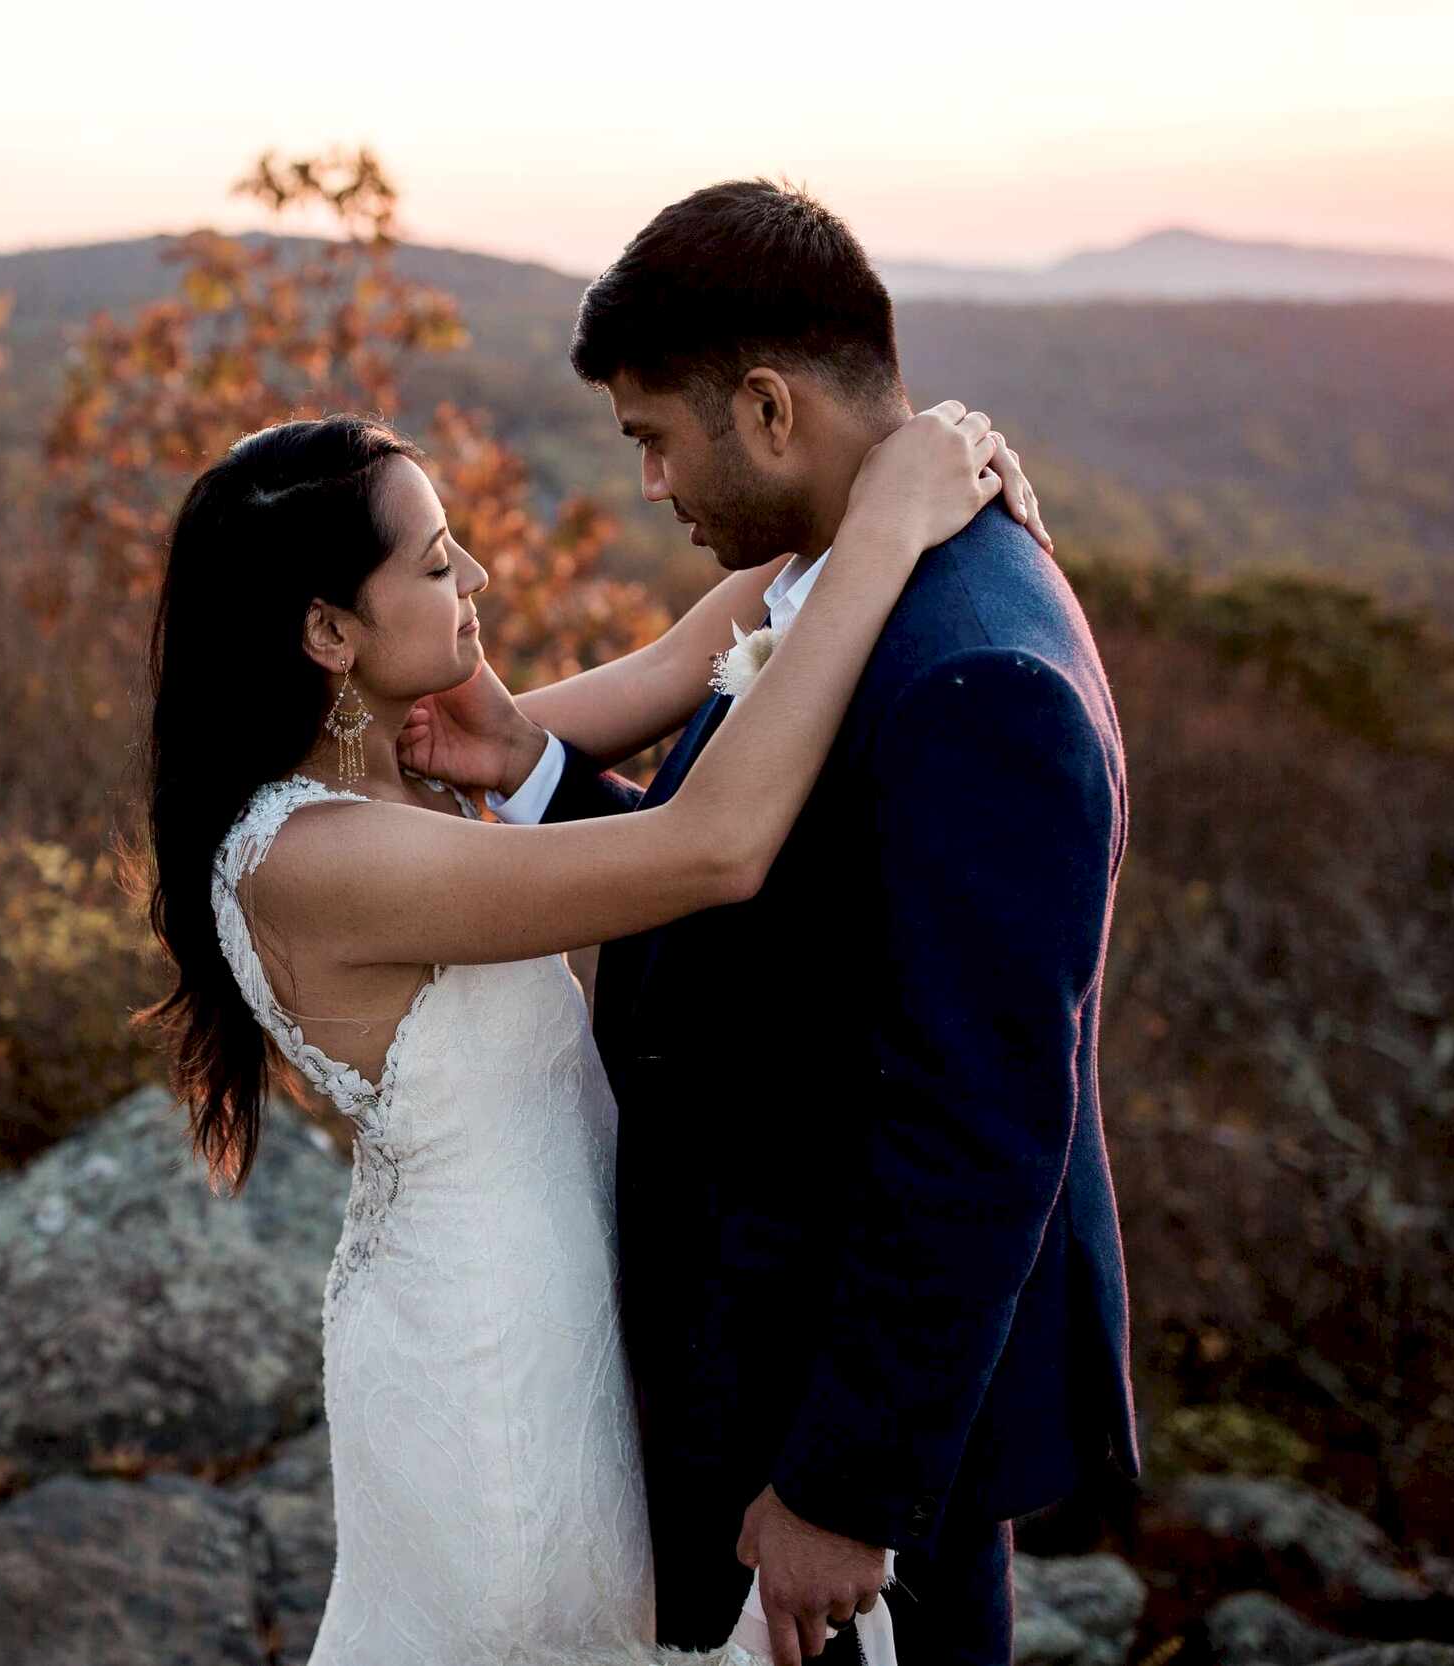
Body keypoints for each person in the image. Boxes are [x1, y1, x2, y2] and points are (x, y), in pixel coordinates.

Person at [140, 385, 1036, 1662]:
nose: (481, 577)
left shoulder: (401, 768)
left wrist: (895, 461)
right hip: (494, 1347)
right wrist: (887, 533)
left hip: (574, 1285)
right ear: (331, 632)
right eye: (440, 562)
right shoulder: (311, 858)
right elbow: (710, 847)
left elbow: (700, 652)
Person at [405, 179, 1139, 1666]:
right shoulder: (838, 581)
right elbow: (761, 917)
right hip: (757, 1336)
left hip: (858, 1410)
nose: (653, 483)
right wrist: (534, 771)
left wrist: (841, 1485)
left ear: (766, 407)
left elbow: (977, 1126)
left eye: (655, 439)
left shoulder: (972, 672)